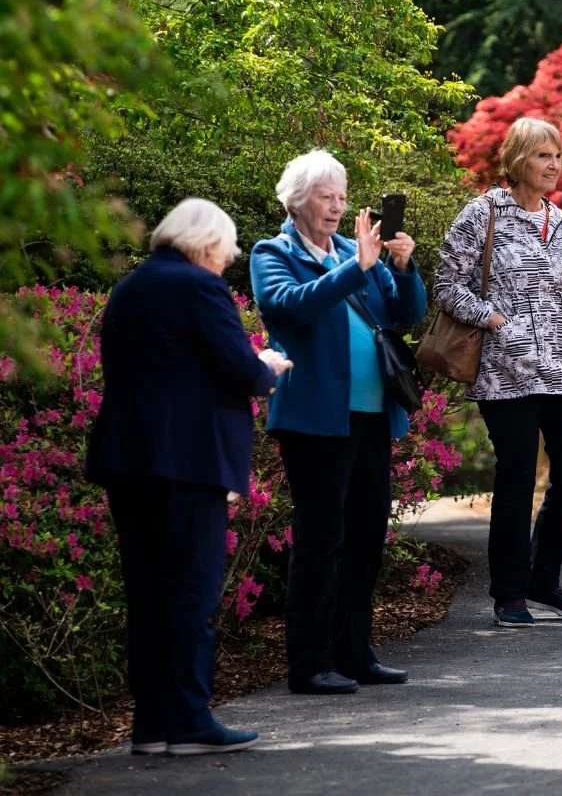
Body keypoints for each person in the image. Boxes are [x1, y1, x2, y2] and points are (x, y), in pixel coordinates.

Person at [86, 198, 292, 756]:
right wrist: (267, 368)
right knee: (191, 593)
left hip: (128, 460)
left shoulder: (130, 287)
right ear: (206, 243)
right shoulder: (200, 288)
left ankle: (152, 725)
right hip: (186, 462)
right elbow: (239, 369)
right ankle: (190, 723)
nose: (225, 263)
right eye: (225, 253)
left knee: (150, 595)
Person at [249, 150, 426, 694]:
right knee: (321, 539)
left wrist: (401, 265)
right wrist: (358, 267)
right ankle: (310, 662)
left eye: (343, 196)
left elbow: (406, 312)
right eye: (326, 196)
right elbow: (290, 306)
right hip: (315, 419)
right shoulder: (271, 252)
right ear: (298, 200)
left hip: (372, 415)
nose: (337, 206)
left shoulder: (356, 250)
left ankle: (355, 652)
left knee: (367, 536)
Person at [433, 117, 562, 628]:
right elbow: (446, 284)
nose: (554, 165)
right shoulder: (482, 214)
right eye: (542, 156)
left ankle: (542, 580)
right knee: (515, 481)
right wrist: (491, 318)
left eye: (558, 155)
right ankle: (509, 594)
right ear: (517, 161)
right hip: (507, 372)